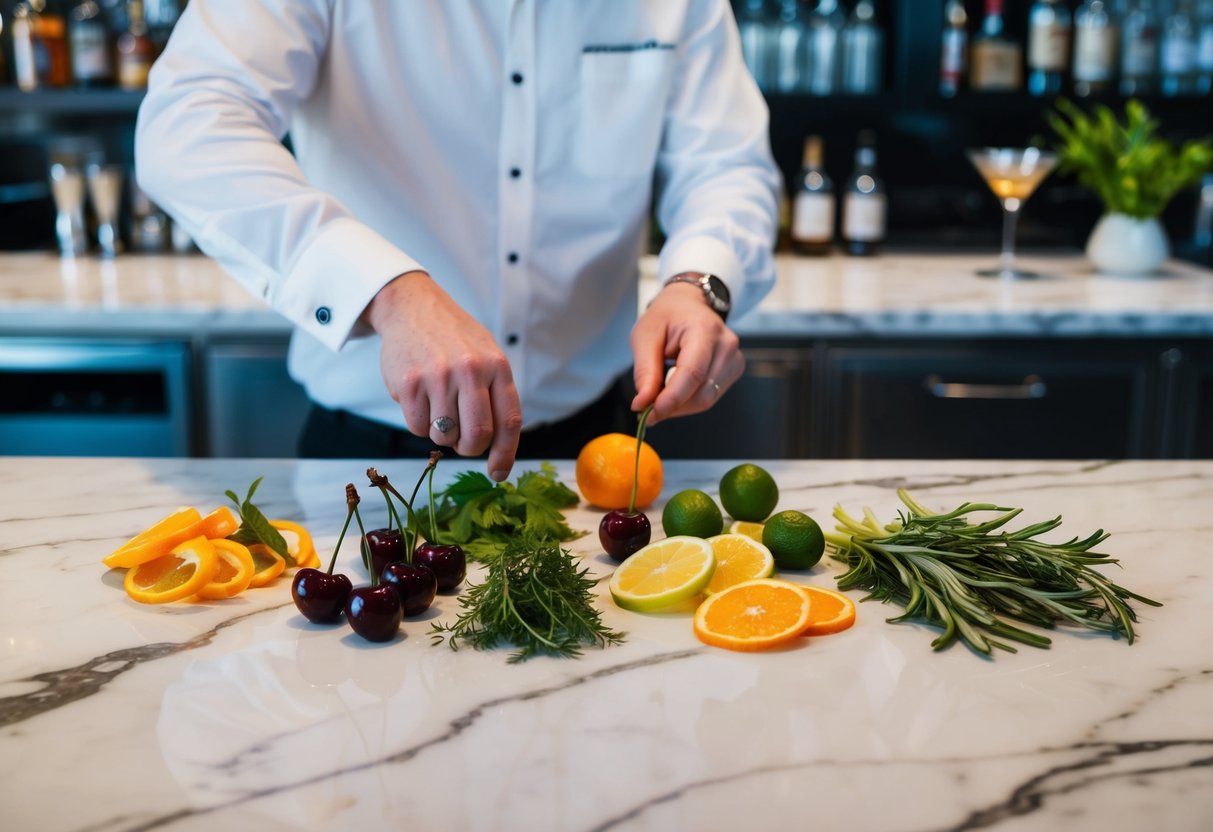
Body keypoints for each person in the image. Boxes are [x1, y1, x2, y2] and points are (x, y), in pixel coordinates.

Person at [135, 1, 780, 481]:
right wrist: (387, 292)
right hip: (373, 459)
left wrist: (699, 283)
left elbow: (725, 165)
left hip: (600, 450)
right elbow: (187, 125)